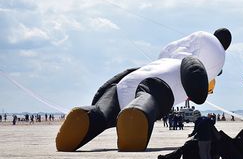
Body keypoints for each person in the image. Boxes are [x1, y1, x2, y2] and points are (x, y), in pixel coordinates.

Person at [56, 28, 231, 152]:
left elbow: (127, 73)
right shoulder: (188, 61)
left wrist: (100, 96)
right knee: (149, 96)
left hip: (123, 85)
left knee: (102, 114)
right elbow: (194, 74)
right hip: (157, 85)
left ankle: (89, 116)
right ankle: (137, 114)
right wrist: (198, 86)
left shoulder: (162, 61)